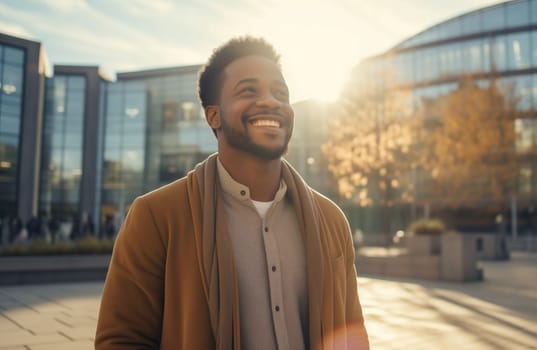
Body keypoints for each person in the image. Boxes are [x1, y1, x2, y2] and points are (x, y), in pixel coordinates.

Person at [95, 36, 369, 349]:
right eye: (249, 90)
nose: (270, 101)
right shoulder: (157, 216)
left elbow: (352, 336)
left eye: (281, 93)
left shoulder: (331, 220)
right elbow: (121, 340)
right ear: (213, 115)